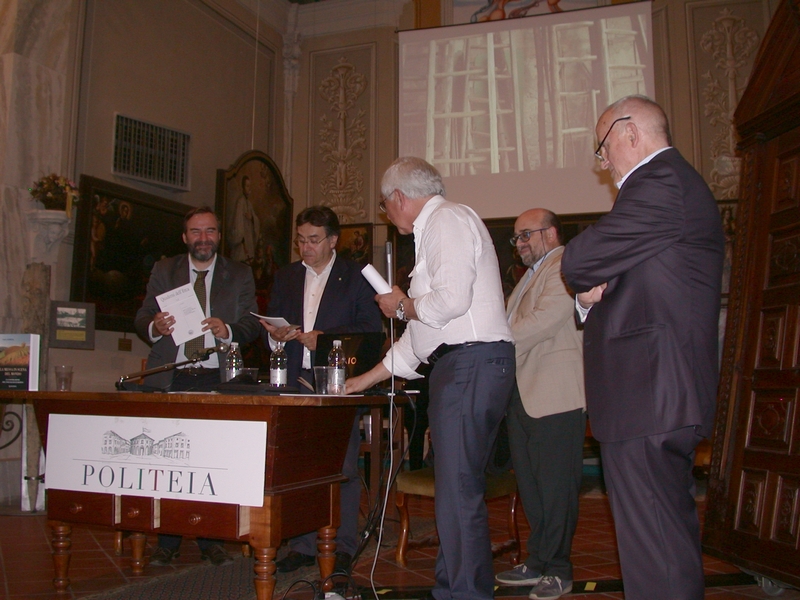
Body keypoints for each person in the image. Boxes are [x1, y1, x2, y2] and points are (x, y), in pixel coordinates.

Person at [561, 95, 724, 600]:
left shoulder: (660, 183)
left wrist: (585, 277)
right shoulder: (665, 189)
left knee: (655, 545)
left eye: (603, 147)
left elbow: (577, 260)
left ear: (630, 133)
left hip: (653, 392)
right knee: (660, 539)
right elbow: (611, 280)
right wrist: (588, 296)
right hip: (652, 394)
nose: (603, 162)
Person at [346, 157, 516, 600]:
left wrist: (401, 306)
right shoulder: (439, 228)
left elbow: (450, 302)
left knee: (458, 494)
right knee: (455, 492)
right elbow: (419, 342)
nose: (386, 214)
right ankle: (455, 589)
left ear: (399, 197)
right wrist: (362, 381)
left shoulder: (446, 219)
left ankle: (465, 594)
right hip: (465, 366)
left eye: (385, 206)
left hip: (470, 366)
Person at [134, 206, 261, 567]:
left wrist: (230, 330)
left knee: (212, 465)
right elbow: (141, 316)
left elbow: (251, 324)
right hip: (171, 376)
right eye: (195, 232)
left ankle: (211, 539)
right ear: (185, 237)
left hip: (216, 378)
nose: (203, 238)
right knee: (168, 462)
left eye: (210, 231)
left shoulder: (239, 274)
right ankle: (168, 540)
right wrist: (155, 326)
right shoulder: (164, 270)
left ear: (219, 235)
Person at [258, 205, 382, 575]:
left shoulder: (357, 276)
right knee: (298, 468)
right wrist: (275, 335)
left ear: (333, 240)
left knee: (340, 466)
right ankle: (303, 545)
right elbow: (272, 324)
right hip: (293, 379)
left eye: (314, 240)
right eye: (300, 240)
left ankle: (342, 545)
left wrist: (323, 341)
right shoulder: (286, 277)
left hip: (339, 382)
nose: (305, 247)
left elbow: (369, 333)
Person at [495, 209, 585, 599]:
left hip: (556, 395)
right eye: (516, 237)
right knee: (531, 488)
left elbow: (547, 320)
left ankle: (560, 569)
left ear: (551, 233)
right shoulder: (527, 278)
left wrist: (494, 345)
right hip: (523, 395)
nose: (520, 243)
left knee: (556, 488)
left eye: (526, 234)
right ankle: (538, 561)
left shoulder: (566, 264)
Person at [228, 175, 261, 264]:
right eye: (247, 186)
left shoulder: (249, 204)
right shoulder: (240, 202)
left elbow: (256, 220)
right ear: (243, 187)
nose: (249, 188)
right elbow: (237, 222)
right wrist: (240, 238)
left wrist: (253, 219)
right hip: (243, 242)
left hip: (249, 239)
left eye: (250, 186)